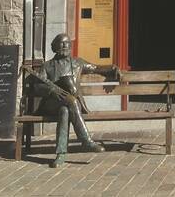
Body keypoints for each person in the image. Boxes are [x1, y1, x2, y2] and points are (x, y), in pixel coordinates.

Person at [33, 33, 118, 168]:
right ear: (54, 47)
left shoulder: (78, 63)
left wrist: (113, 68)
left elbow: (96, 68)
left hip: (68, 106)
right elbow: (37, 86)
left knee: (65, 111)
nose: (64, 45)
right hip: (51, 104)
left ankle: (61, 154)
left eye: (67, 43)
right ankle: (86, 140)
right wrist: (52, 90)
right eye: (61, 43)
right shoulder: (47, 66)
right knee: (71, 101)